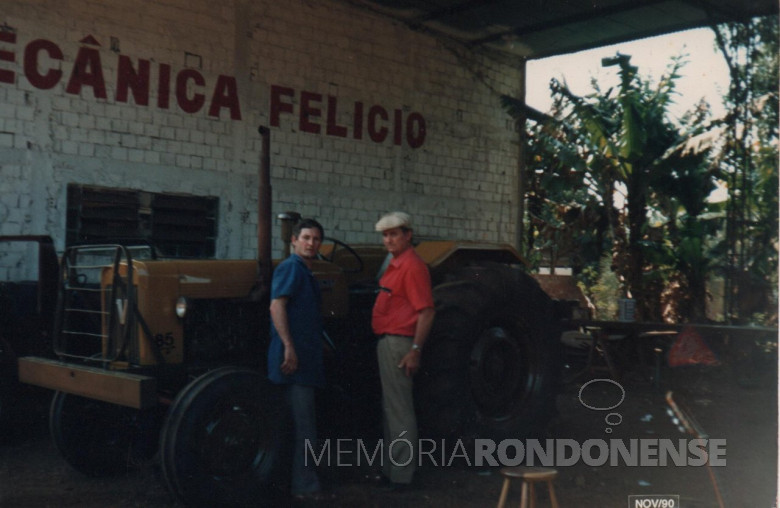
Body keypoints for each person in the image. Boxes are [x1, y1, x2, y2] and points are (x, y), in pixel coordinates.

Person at [371, 211, 435, 489]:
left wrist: (415, 349)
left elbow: (427, 311)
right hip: (388, 341)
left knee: (399, 410)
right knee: (391, 409)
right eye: (385, 235)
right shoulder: (394, 264)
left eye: (394, 234)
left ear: (408, 235)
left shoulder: (411, 266)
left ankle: (402, 476)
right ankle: (391, 471)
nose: (389, 240)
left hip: (400, 343)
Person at [267, 218, 327, 502]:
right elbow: (277, 305)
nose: (310, 243)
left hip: (304, 359)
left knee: (295, 425)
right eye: (306, 237)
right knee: (304, 427)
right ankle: (305, 487)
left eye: (315, 239)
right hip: (295, 362)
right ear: (293, 240)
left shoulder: (305, 271)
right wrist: (289, 346)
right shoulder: (292, 268)